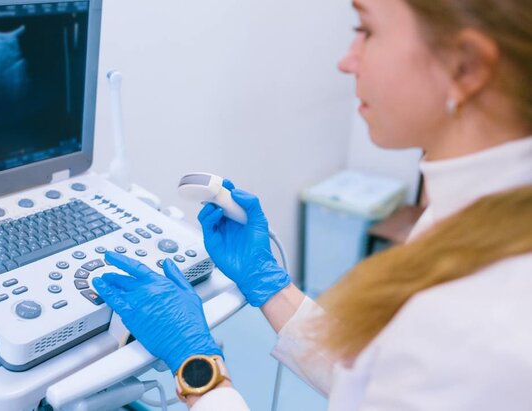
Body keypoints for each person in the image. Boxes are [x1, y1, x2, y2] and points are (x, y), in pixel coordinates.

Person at [92, 0, 532, 409]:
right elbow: (377, 376)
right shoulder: (475, 214)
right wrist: (270, 284)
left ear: (466, 66)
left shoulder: (491, 329)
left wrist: (196, 363)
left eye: (366, 31)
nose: (347, 61)